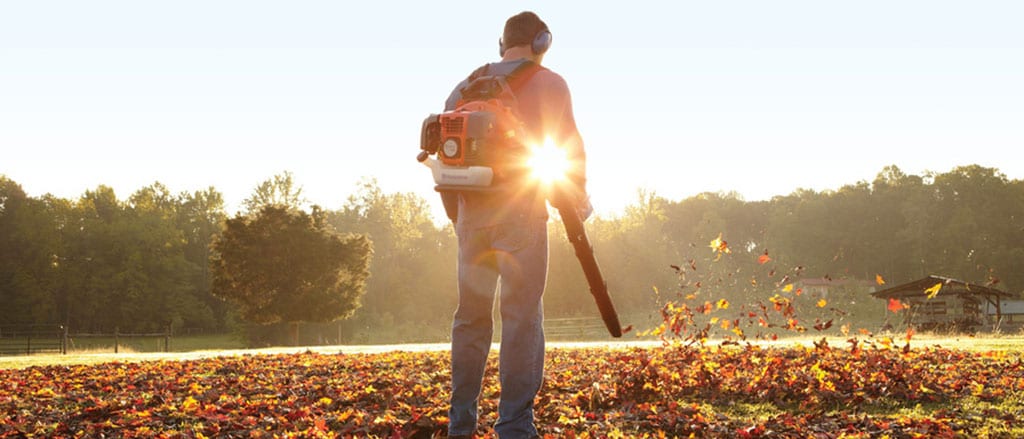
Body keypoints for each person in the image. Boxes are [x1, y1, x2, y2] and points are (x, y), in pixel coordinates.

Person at [442, 11, 588, 439]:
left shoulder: (465, 87)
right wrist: (579, 201)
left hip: (472, 216)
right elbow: (569, 149)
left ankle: (461, 423)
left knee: (470, 318)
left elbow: (445, 156)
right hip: (521, 212)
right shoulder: (551, 83)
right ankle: (514, 426)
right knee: (522, 317)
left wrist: (461, 218)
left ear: (501, 43)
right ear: (542, 42)